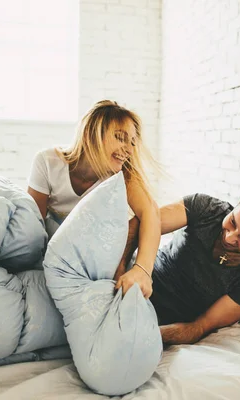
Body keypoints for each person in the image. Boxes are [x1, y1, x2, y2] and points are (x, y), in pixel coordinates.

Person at [117, 186, 240, 345]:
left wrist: (144, 335)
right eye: (233, 222)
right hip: (135, 283)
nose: (229, 237)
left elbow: (198, 327)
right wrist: (121, 272)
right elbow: (142, 223)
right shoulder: (206, 208)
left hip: (164, 321)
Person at [28, 100, 160, 299]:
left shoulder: (122, 175)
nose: (129, 149)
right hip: (54, 253)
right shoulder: (47, 162)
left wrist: (143, 269)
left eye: (132, 142)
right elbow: (34, 225)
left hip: (94, 257)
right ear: (92, 135)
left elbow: (151, 212)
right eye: (120, 138)